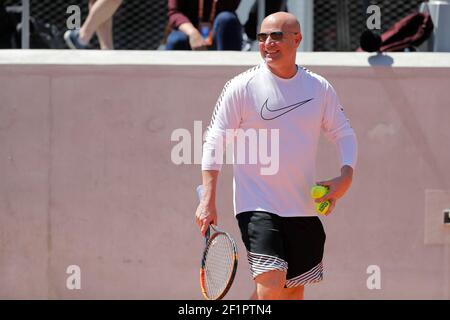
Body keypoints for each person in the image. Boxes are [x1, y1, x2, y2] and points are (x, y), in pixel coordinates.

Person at [195, 12, 358, 300]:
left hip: (303, 209)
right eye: (262, 37)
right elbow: (214, 140)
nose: (268, 43)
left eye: (276, 36)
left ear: (297, 39)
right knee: (271, 288)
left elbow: (344, 133)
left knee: (290, 293)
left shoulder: (318, 88)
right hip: (256, 206)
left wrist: (346, 176)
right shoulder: (241, 87)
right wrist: (208, 199)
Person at [166, 0, 242, 51]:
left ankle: (230, 72)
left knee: (227, 19)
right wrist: (193, 33)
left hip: (217, 32)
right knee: (176, 40)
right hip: (188, 31)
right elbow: (174, 12)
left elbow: (231, 6)